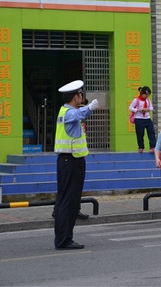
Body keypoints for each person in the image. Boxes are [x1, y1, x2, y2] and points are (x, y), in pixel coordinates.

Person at [53, 80, 98, 250]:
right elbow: (79, 115)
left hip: (69, 160)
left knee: (65, 200)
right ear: (75, 97)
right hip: (71, 161)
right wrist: (90, 107)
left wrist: (87, 109)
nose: (82, 97)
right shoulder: (69, 112)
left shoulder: (66, 111)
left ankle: (63, 238)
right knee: (69, 201)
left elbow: (80, 116)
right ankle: (64, 239)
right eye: (80, 94)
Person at [129, 86, 156, 153]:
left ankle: (152, 147)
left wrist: (147, 109)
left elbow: (151, 107)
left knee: (151, 132)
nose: (147, 96)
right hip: (139, 119)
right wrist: (138, 110)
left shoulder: (148, 100)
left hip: (147, 118)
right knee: (140, 134)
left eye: (148, 95)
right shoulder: (136, 100)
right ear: (142, 93)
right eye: (146, 94)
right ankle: (141, 147)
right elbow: (130, 107)